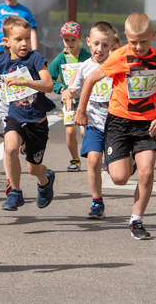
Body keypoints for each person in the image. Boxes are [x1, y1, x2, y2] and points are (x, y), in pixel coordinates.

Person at [75, 13, 156, 239]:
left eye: (144, 42)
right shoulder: (120, 56)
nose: (138, 47)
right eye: (133, 42)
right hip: (118, 122)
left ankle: (136, 219)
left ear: (153, 36)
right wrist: (81, 110)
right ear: (127, 38)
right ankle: (128, 161)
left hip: (146, 124)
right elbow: (90, 80)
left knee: (147, 172)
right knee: (119, 178)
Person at [0, 16, 56, 212]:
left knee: (33, 168)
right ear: (5, 41)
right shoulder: (1, 62)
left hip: (36, 122)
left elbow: (48, 85)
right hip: (15, 116)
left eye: (27, 38)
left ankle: (45, 181)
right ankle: (15, 192)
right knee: (11, 147)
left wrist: (25, 82)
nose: (24, 43)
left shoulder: (35, 59)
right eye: (18, 39)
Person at [63, 21, 115, 219]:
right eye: (96, 44)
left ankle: (129, 161)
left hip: (116, 122)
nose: (99, 49)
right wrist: (68, 93)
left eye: (105, 45)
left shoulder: (116, 65)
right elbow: (74, 91)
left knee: (119, 171)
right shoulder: (85, 67)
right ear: (88, 43)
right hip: (93, 121)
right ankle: (97, 202)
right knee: (93, 160)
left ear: (112, 45)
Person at [48, 21, 91, 173]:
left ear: (80, 38)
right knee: (70, 131)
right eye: (66, 40)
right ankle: (75, 159)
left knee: (85, 131)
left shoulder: (87, 57)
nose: (70, 43)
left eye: (73, 39)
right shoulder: (60, 59)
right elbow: (49, 78)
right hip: (69, 102)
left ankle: (95, 157)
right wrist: (61, 89)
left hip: (87, 101)